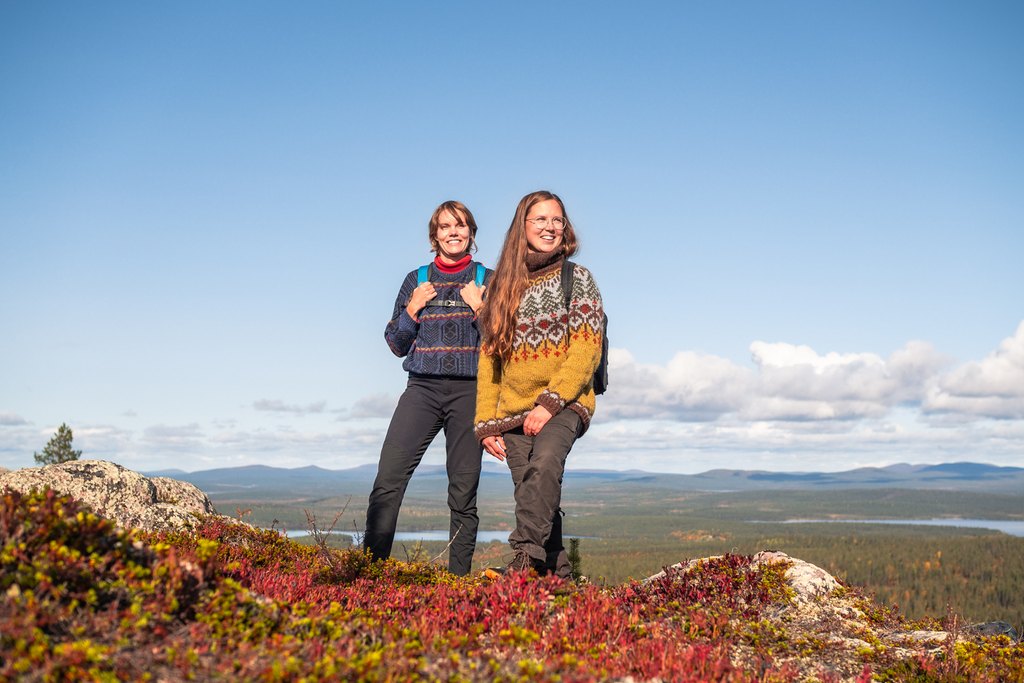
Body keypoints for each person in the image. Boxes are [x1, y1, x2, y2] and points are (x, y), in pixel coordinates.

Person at [475, 190, 604, 577]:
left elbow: (586, 349)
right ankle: (559, 577)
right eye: (541, 220)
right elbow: (489, 361)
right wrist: (484, 424)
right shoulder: (502, 287)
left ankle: (524, 561)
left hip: (565, 403)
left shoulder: (577, 279)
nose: (550, 227)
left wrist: (549, 403)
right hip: (512, 411)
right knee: (533, 491)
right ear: (523, 227)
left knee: (544, 465)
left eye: (557, 220)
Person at [364, 200, 492, 576]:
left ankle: (457, 583)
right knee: (388, 479)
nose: (454, 232)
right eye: (446, 226)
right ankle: (370, 572)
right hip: (421, 389)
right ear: (434, 235)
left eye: (462, 225)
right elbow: (396, 344)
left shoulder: (488, 279)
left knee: (463, 493)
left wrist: (481, 309)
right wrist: (411, 310)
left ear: (471, 233)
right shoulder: (416, 280)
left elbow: (503, 345)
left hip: (470, 392)